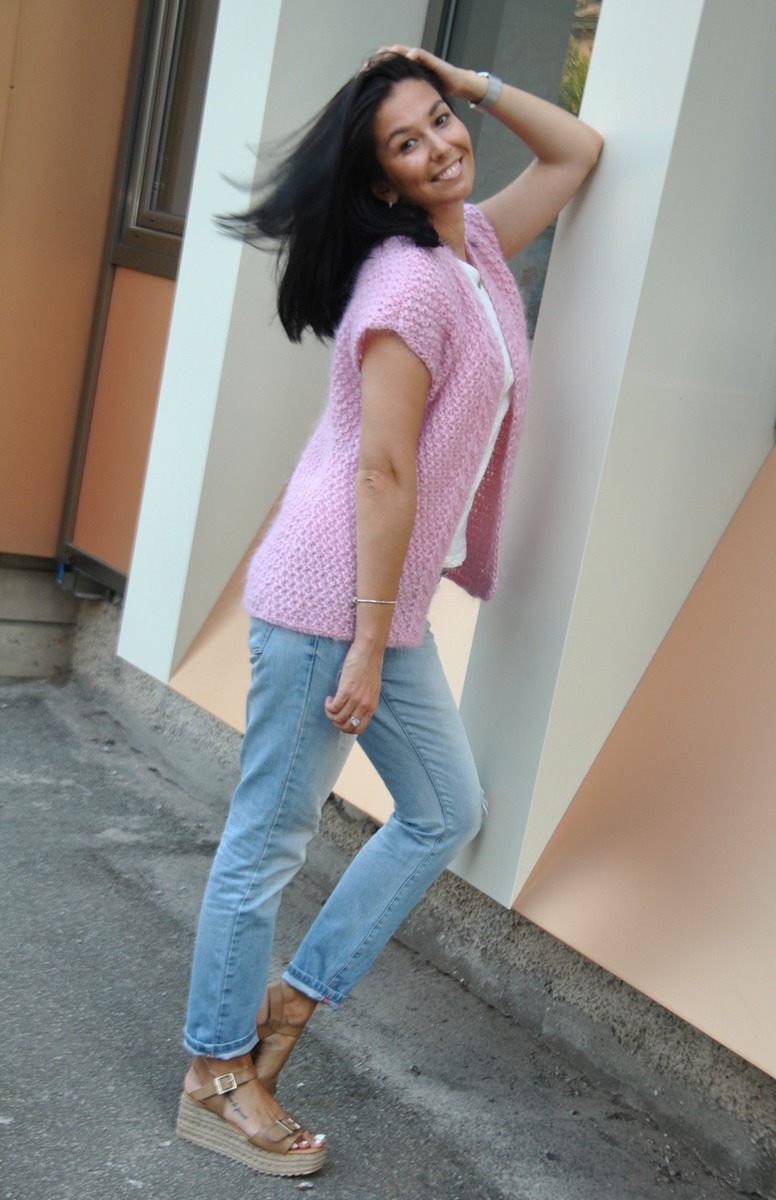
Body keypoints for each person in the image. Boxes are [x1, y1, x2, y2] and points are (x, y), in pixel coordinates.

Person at [175, 45, 602, 1178]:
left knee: (443, 808)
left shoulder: (471, 249)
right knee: (269, 836)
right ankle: (214, 1072)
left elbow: (576, 153)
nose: (441, 147)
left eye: (439, 123)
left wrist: (458, 76)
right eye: (407, 144)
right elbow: (382, 473)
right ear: (382, 183)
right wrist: (367, 640)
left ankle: (289, 1006)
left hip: (375, 603)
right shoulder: (409, 287)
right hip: (332, 598)